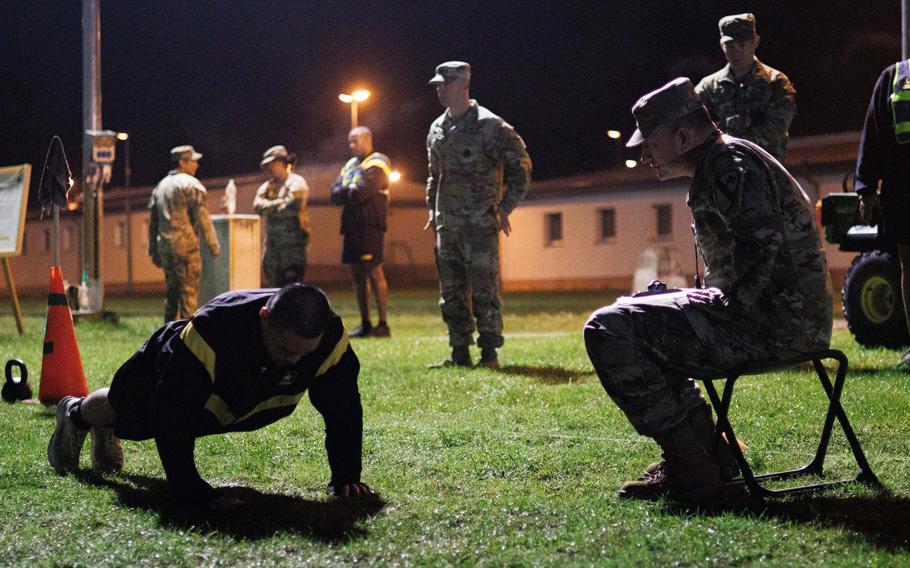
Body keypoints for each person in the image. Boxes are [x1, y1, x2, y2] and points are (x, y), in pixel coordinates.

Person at [584, 78, 833, 502]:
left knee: (607, 329)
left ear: (683, 135)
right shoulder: (720, 162)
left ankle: (694, 468)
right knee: (638, 312)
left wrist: (716, 303)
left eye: (651, 142)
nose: (644, 154)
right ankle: (710, 455)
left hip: (775, 325)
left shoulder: (728, 164)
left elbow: (761, 245)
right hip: (773, 317)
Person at [47, 284, 373, 510]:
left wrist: (346, 476)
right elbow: (172, 413)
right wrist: (191, 491)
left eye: (306, 352)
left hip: (240, 397)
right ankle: (76, 413)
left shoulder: (329, 335)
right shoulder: (215, 329)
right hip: (170, 366)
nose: (294, 360)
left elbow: (343, 408)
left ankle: (99, 421)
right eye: (286, 348)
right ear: (264, 318)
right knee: (129, 412)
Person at [425, 61, 532, 369]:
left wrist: (505, 206)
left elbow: (521, 165)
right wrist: (432, 211)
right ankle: (459, 352)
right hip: (448, 225)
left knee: (484, 291)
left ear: (463, 85)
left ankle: (489, 354)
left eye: (444, 84)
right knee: (451, 293)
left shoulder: (490, 126)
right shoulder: (436, 128)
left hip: (479, 224)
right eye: (437, 86)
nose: (440, 90)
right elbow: (434, 175)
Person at [855, 59, 910, 369]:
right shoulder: (892, 77)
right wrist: (866, 189)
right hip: (903, 190)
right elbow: (873, 132)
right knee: (909, 265)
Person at [695, 13, 796, 162]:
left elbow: (775, 132)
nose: (736, 52)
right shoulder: (708, 87)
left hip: (768, 177)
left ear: (755, 42)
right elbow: (695, 129)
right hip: (724, 176)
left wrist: (723, 130)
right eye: (730, 46)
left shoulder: (776, 83)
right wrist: (747, 122)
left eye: (742, 45)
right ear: (722, 46)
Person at [330, 127, 392, 338]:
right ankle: (365, 323)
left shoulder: (378, 162)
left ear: (368, 139)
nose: (351, 145)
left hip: (369, 225)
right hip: (350, 226)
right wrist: (349, 190)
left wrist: (348, 191)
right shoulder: (350, 165)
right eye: (349, 141)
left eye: (355, 141)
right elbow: (334, 194)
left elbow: (362, 192)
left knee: (374, 272)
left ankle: (383, 325)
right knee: (357, 275)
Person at [148, 145, 221, 322]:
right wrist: (213, 243)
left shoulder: (161, 186)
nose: (197, 165)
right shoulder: (191, 184)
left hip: (165, 246)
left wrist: (153, 250)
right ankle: (186, 338)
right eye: (193, 161)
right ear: (182, 162)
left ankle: (167, 335)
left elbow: (153, 222)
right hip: (186, 246)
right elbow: (202, 216)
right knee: (188, 293)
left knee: (171, 293)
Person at [253, 145, 311, 287]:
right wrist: (278, 204)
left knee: (292, 289)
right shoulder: (267, 186)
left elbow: (291, 207)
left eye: (270, 164)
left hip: (293, 247)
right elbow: (257, 206)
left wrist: (269, 205)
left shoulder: (297, 183)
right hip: (273, 247)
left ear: (281, 163)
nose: (268, 169)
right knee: (273, 289)